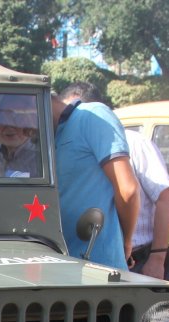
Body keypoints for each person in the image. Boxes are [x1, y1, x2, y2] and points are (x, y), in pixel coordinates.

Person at [60, 82, 169, 279]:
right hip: (95, 256)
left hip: (137, 256)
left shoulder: (135, 143)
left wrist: (157, 258)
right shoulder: (70, 146)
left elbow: (164, 199)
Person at [50, 91, 139, 270]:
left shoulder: (92, 115)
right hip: (61, 265)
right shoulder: (49, 137)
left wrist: (126, 241)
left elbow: (127, 189)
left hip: (98, 267)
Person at [0, 93, 38, 178]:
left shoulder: (39, 157)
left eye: (17, 116)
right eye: (3, 117)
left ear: (29, 120)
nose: (9, 125)